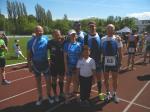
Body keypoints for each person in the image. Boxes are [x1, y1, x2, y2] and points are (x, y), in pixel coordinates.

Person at [27, 25, 54, 106]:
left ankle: (49, 95)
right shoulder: (30, 42)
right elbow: (28, 55)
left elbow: (53, 44)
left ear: (43, 31)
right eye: (38, 31)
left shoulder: (46, 39)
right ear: (35, 32)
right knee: (38, 82)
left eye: (41, 31)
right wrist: (29, 65)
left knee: (48, 81)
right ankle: (40, 97)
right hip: (36, 65)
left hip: (45, 64)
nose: (39, 32)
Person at [101, 24, 123, 103]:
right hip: (105, 62)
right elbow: (101, 51)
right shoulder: (103, 39)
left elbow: (120, 52)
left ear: (114, 30)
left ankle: (114, 94)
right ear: (106, 30)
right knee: (106, 79)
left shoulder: (117, 39)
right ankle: (107, 93)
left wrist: (120, 63)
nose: (109, 30)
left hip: (114, 62)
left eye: (111, 29)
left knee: (115, 79)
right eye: (108, 28)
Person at [84, 21, 103, 100]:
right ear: (88, 28)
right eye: (90, 26)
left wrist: (117, 38)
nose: (92, 28)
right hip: (89, 62)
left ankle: (100, 93)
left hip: (98, 61)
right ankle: (88, 93)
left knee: (99, 79)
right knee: (89, 79)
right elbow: (85, 49)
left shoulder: (101, 35)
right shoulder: (86, 37)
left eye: (93, 26)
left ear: (95, 26)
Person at [64, 29, 82, 102]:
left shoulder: (80, 44)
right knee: (68, 81)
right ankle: (67, 96)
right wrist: (66, 67)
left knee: (76, 81)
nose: (73, 36)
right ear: (69, 36)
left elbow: (81, 56)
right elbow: (65, 57)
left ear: (76, 35)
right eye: (71, 34)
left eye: (74, 34)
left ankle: (75, 94)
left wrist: (80, 66)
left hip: (77, 66)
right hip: (69, 66)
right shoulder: (66, 45)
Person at [47, 29, 65, 102]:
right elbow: (44, 50)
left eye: (58, 34)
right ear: (52, 35)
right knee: (54, 79)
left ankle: (61, 92)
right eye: (55, 34)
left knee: (61, 79)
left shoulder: (64, 41)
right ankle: (55, 94)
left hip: (62, 64)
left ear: (60, 34)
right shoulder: (50, 42)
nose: (57, 36)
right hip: (53, 64)